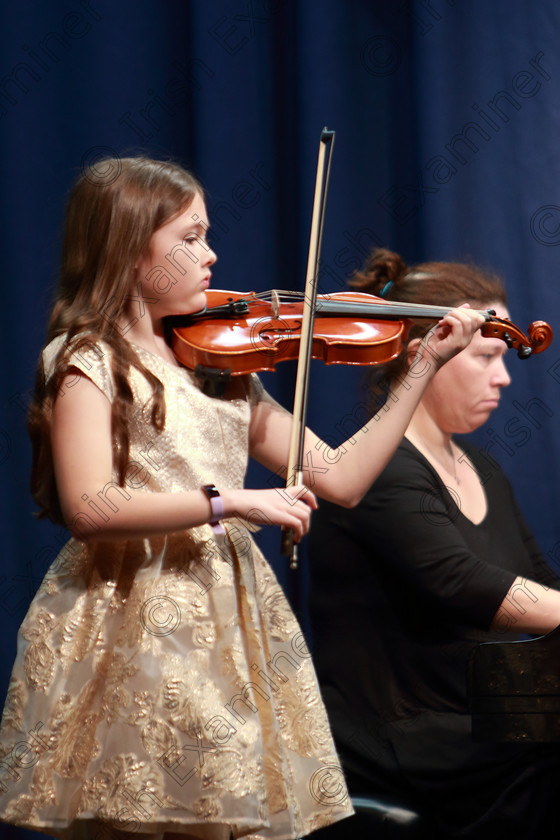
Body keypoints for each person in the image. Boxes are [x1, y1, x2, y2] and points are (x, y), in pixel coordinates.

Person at [0, 162, 483, 840]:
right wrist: (233, 502)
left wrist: (424, 364)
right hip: (136, 621)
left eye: (208, 236)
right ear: (129, 250)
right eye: (190, 238)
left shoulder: (222, 371)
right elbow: (91, 508)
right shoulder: (90, 360)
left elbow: (339, 476)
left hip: (230, 623)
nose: (212, 255)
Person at [307, 248, 560, 839]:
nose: (504, 376)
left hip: (477, 715)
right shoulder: (382, 468)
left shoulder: (480, 466)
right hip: (401, 734)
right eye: (488, 356)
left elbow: (541, 584)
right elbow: (463, 584)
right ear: (430, 351)